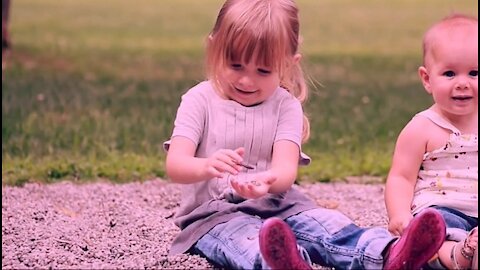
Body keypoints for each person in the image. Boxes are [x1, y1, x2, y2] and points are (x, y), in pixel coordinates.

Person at [164, 0, 446, 269]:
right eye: (235, 65)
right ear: (214, 48)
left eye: (263, 70)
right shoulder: (198, 100)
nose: (247, 80)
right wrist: (206, 165)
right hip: (216, 216)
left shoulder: (285, 105)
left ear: (289, 63)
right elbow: (176, 166)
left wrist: (265, 182)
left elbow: (285, 172)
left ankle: (389, 254)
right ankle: (285, 262)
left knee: (328, 226)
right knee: (247, 241)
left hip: (281, 205)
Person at [384, 14, 478, 270]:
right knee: (434, 229)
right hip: (443, 209)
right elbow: (401, 177)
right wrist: (400, 214)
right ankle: (457, 255)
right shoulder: (422, 128)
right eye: (449, 73)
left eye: (474, 73)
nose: (462, 83)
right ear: (427, 79)